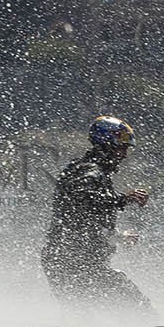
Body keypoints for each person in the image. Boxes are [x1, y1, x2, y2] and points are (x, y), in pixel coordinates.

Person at [41, 115, 152, 313]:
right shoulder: (89, 170)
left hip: (65, 258)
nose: (125, 154)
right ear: (107, 144)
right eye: (122, 147)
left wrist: (117, 236)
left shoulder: (87, 169)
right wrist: (122, 199)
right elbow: (82, 199)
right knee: (138, 306)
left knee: (86, 312)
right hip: (74, 260)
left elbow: (83, 219)